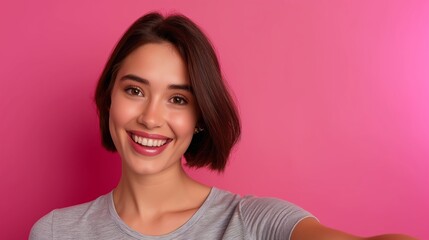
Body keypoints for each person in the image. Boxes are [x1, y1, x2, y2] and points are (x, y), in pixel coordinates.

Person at [30, 12, 416, 240]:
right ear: (109, 97)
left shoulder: (254, 223)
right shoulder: (54, 232)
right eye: (134, 90)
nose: (150, 117)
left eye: (178, 99)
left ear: (200, 118)